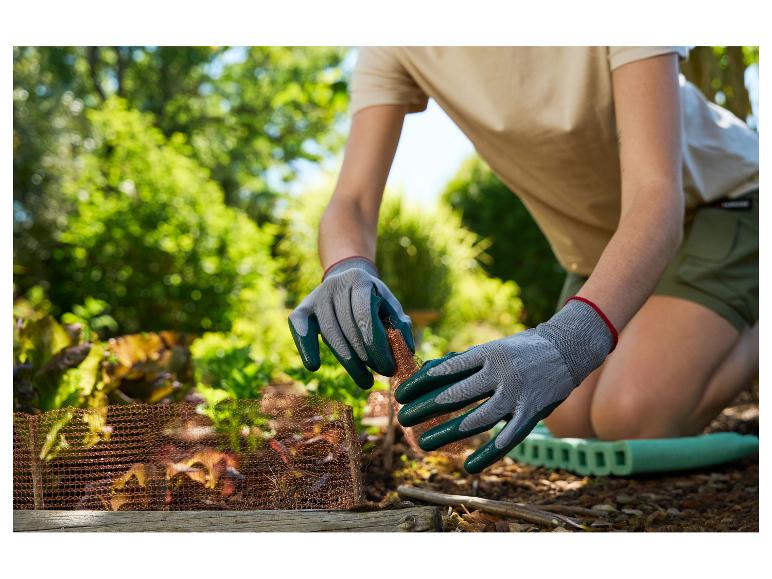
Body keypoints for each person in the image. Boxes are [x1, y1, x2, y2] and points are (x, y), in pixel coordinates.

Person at [288, 47, 759, 474]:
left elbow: (656, 194)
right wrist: (347, 266)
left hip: (724, 202)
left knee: (634, 415)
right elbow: (352, 200)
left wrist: (567, 343)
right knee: (571, 416)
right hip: (607, 245)